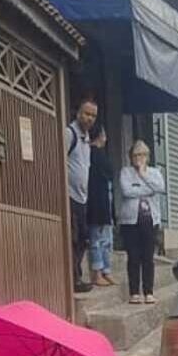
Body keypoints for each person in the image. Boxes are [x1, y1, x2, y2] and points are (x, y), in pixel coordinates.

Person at [117, 141, 165, 305]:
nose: (140, 158)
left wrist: (143, 176)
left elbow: (159, 187)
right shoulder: (125, 171)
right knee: (133, 256)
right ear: (131, 157)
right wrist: (147, 189)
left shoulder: (154, 172)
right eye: (136, 155)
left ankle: (149, 291)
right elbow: (127, 191)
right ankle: (134, 292)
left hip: (150, 220)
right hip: (130, 221)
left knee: (148, 257)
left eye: (143, 154)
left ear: (148, 157)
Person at [65, 98, 98, 294]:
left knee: (83, 238)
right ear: (78, 113)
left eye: (93, 115)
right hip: (69, 195)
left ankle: (76, 275)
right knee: (74, 238)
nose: (89, 118)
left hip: (82, 197)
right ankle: (74, 278)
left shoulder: (86, 138)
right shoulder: (70, 134)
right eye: (86, 114)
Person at [86, 124, 115, 288]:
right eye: (104, 134)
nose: (106, 138)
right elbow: (110, 172)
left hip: (100, 200)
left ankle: (105, 270)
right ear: (100, 135)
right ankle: (98, 272)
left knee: (103, 239)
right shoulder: (94, 154)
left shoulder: (92, 154)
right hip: (96, 201)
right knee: (97, 239)